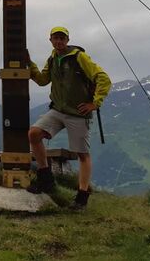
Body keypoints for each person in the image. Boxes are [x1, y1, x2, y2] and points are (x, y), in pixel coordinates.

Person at [26, 26, 111, 210]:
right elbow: (42, 80)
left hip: (78, 113)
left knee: (82, 154)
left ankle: (82, 195)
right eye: (55, 38)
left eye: (62, 38)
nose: (59, 41)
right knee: (33, 134)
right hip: (58, 110)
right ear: (50, 40)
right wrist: (30, 64)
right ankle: (45, 178)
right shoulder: (53, 58)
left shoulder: (79, 57)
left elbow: (103, 78)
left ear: (67, 39)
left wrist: (95, 103)